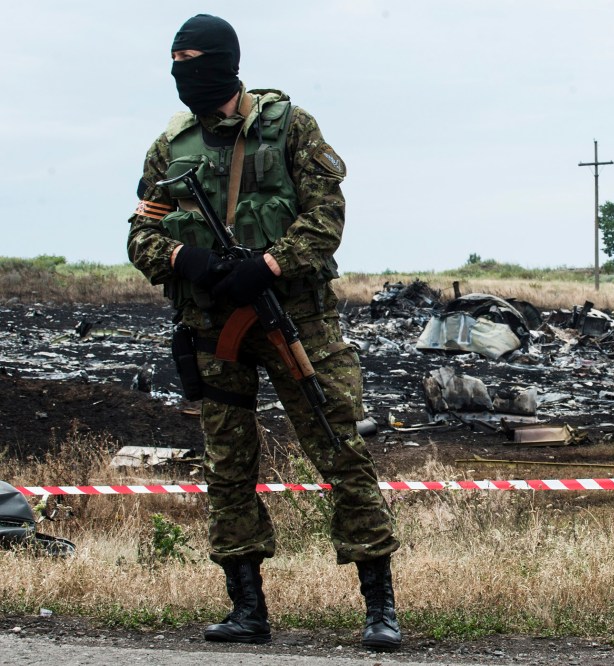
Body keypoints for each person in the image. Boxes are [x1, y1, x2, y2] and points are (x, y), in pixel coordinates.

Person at [126, 14, 402, 652]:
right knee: (228, 466)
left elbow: (326, 217)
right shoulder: (171, 148)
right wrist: (182, 260)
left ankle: (379, 608)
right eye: (175, 61)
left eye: (192, 59)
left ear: (224, 60)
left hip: (294, 319)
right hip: (213, 325)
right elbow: (140, 233)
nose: (182, 72)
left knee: (340, 450)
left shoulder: (289, 128)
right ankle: (247, 608)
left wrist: (269, 265)